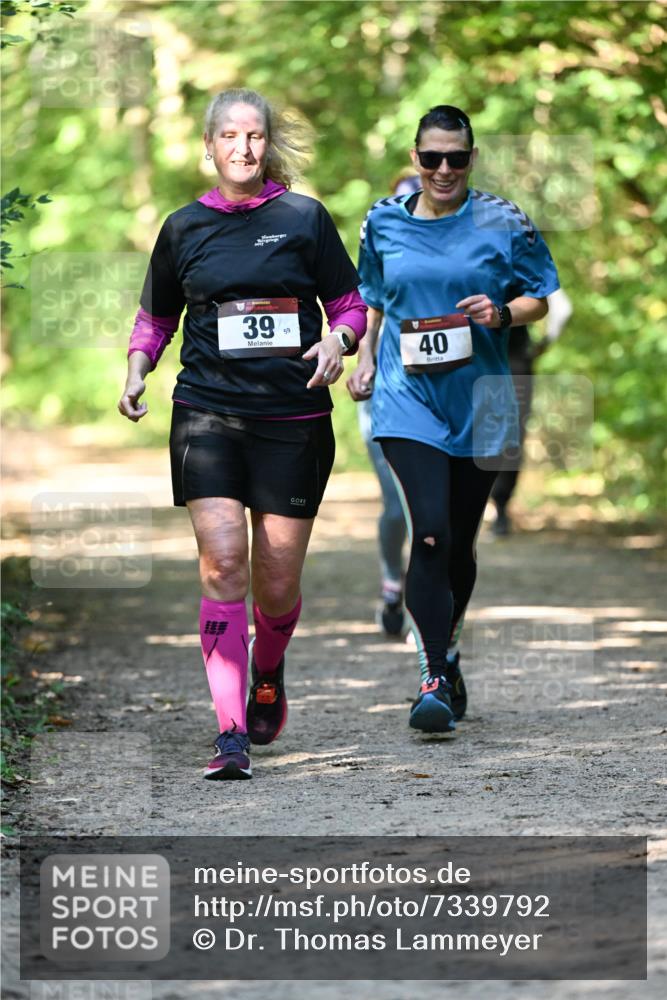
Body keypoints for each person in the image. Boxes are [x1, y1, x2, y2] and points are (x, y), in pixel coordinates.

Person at [118, 89, 366, 779]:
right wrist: (137, 372)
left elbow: (348, 303)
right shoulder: (183, 227)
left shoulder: (303, 218)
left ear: (266, 144)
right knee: (223, 562)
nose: (242, 148)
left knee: (276, 583)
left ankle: (268, 668)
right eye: (229, 136)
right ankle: (229, 732)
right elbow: (155, 318)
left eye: (254, 136)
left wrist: (338, 341)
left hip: (293, 419)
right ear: (209, 144)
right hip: (208, 411)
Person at [350, 104, 559, 733]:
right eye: (432, 157)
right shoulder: (382, 221)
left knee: (460, 545)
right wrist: (361, 358)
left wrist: (500, 313)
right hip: (406, 398)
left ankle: (449, 644)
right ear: (416, 158)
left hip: (484, 400)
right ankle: (432, 676)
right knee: (431, 531)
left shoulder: (504, 219)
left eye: (457, 158)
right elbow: (370, 299)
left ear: (471, 158)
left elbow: (540, 298)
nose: (444, 169)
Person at [347, 171, 421, 638]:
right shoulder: (380, 246)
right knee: (397, 504)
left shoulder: (450, 254)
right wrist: (365, 359)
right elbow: (365, 307)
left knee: (434, 510)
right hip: (383, 392)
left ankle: (430, 607)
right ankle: (393, 583)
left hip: (440, 395)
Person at [490, 288, 573, 535]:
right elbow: (563, 310)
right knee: (512, 437)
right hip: (517, 360)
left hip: (474, 357)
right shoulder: (525, 263)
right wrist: (543, 344)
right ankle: (501, 509)